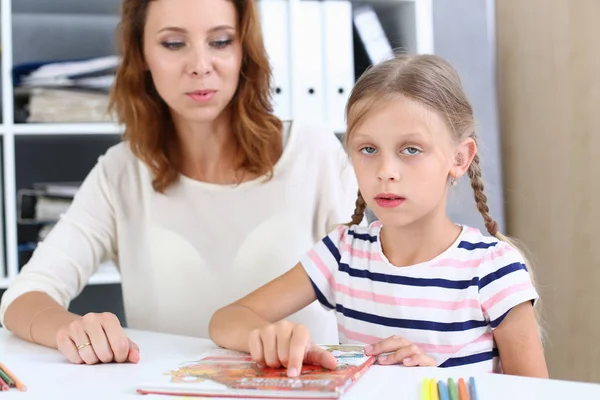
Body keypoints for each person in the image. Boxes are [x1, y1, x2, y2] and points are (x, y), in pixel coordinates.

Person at [0, 0, 358, 365]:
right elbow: (24, 296)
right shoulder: (120, 173)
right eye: (173, 44)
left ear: (244, 51)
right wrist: (71, 330)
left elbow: (378, 279)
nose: (201, 67)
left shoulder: (313, 154)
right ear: (141, 54)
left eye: (220, 42)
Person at [209, 53, 549, 378]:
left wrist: (430, 382)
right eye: (368, 149)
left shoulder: (493, 270)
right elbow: (226, 320)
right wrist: (272, 337)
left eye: (411, 150)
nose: (386, 171)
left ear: (459, 159)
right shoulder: (343, 253)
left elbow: (536, 397)